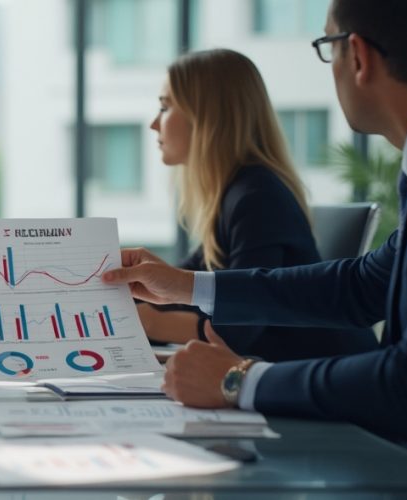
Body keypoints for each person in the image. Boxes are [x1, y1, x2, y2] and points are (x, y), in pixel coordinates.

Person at [103, 0, 407, 480]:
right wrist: (187, 286)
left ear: (359, 58)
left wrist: (236, 380)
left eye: (327, 46)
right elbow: (361, 285)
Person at [137, 48, 376, 361]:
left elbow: (239, 329)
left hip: (327, 383)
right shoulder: (231, 194)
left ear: (207, 116)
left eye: (166, 107)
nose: (155, 124)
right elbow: (188, 286)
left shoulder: (257, 197)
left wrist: (149, 322)